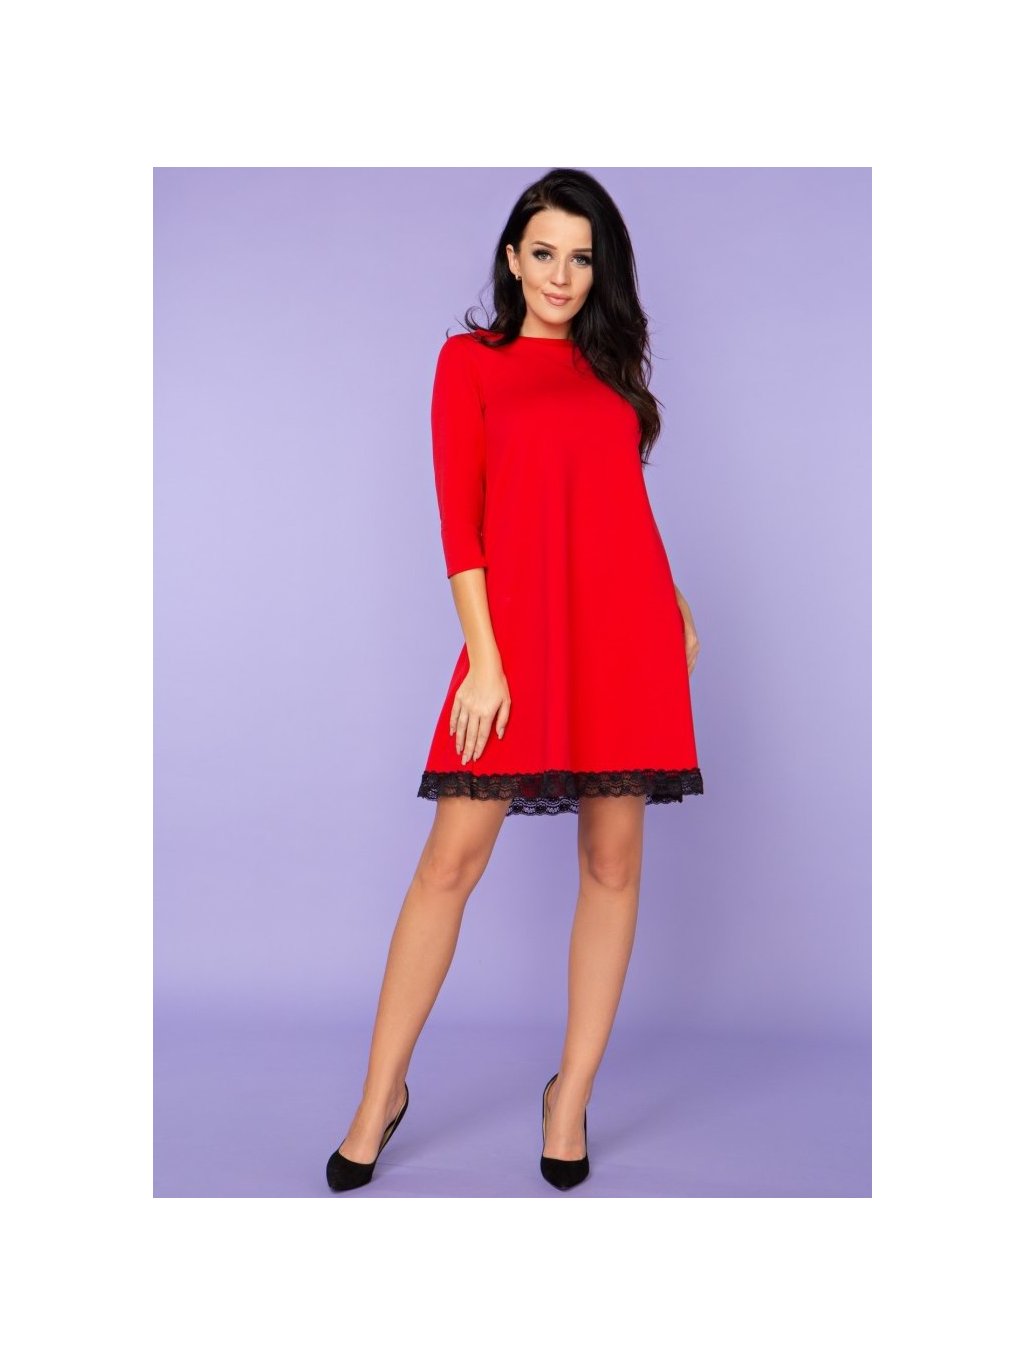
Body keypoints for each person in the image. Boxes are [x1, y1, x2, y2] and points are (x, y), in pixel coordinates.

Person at [326, 168, 703, 1194]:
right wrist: (486, 661)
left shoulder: (610, 373)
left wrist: (671, 599)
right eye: (544, 253)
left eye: (581, 258)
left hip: (625, 634)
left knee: (613, 864)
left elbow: (617, 504)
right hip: (517, 638)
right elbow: (462, 521)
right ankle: (379, 1096)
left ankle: (569, 1097)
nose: (561, 276)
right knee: (448, 863)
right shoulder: (470, 363)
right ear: (511, 258)